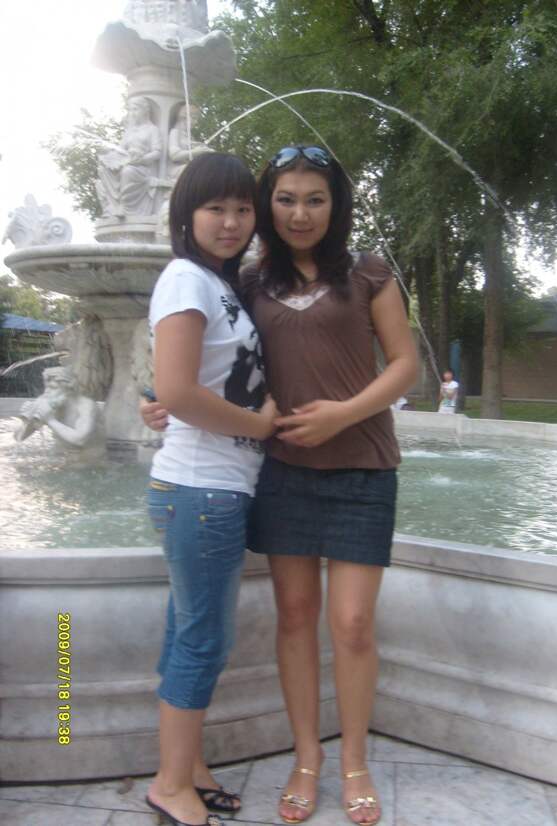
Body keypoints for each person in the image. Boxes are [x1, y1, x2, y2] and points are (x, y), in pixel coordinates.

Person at [143, 144, 417, 826]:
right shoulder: (248, 281)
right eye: (286, 199)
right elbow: (207, 363)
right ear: (272, 206)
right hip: (281, 472)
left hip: (364, 465)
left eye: (315, 199)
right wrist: (162, 402)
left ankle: (354, 761)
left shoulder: (370, 272)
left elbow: (405, 365)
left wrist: (343, 415)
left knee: (352, 623)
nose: (300, 213)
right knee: (295, 616)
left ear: (336, 205)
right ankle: (306, 757)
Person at [145, 151, 278, 826]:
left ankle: (188, 768)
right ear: (186, 214)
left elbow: (175, 386)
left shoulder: (214, 281)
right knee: (203, 641)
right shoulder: (184, 278)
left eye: (242, 209)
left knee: (189, 634)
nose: (231, 222)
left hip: (208, 488)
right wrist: (260, 424)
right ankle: (170, 786)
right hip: (202, 490)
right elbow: (177, 391)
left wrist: (160, 403)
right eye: (215, 208)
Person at [96, 96, 162, 217]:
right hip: (129, 163)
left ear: (145, 110)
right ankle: (111, 207)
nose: (132, 113)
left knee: (128, 171)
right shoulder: (129, 131)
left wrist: (142, 159)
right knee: (103, 169)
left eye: (135, 109)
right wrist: (109, 155)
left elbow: (157, 152)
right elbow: (120, 150)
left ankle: (125, 207)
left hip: (143, 168)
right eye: (130, 110)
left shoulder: (152, 130)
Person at [15, 366, 103, 451]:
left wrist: (50, 420)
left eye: (53, 388)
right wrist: (29, 420)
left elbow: (80, 440)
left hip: (89, 457)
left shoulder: (86, 406)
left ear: (69, 390)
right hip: (62, 454)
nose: (46, 392)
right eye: (46, 387)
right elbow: (18, 437)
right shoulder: (52, 404)